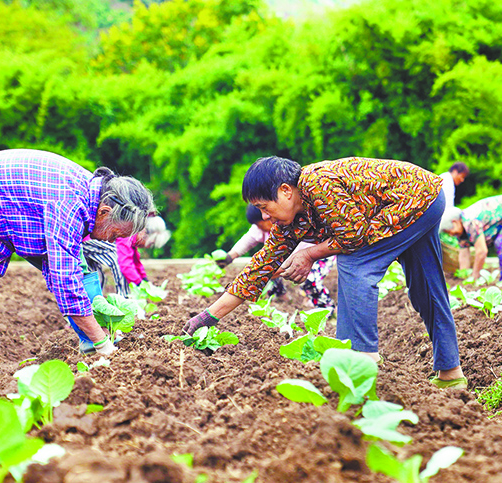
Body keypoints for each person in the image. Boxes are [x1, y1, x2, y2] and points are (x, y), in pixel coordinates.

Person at [185, 156, 466, 389]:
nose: (265, 217)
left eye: (264, 208)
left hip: (414, 197)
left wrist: (308, 253)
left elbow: (353, 238)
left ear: (285, 190)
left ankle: (359, 362)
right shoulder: (289, 222)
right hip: (428, 196)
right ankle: (451, 373)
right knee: (426, 287)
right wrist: (207, 316)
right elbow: (259, 268)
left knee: (354, 263)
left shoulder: (318, 184)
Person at [0, 149, 156, 416]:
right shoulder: (69, 204)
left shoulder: (90, 195)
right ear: (104, 211)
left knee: (78, 266)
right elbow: (64, 282)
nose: (110, 242)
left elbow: (70, 270)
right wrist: (105, 343)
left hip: (17, 215)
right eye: (114, 234)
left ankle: (93, 350)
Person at [217, 203, 334, 309]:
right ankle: (281, 297)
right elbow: (247, 241)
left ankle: (327, 308)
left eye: (261, 223)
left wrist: (260, 275)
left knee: (310, 282)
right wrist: (230, 257)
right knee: (269, 268)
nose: (260, 226)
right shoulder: (260, 228)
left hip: (320, 255)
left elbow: (289, 261)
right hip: (292, 259)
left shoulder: (289, 226)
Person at [440, 194, 502, 282]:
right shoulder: (461, 232)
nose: (451, 234)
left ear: (455, 222)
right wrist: (464, 277)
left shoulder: (470, 222)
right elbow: (464, 255)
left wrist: (474, 276)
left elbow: (481, 251)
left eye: (448, 231)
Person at [116, 215, 171, 295]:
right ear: (144, 232)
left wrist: (145, 281)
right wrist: (141, 285)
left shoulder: (133, 240)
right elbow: (126, 266)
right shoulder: (126, 235)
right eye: (151, 243)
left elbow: (136, 263)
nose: (148, 247)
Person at [437, 161, 469, 234]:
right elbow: (447, 207)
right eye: (462, 176)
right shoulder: (447, 181)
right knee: (457, 212)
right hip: (438, 216)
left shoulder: (446, 178)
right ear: (455, 171)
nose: (462, 180)